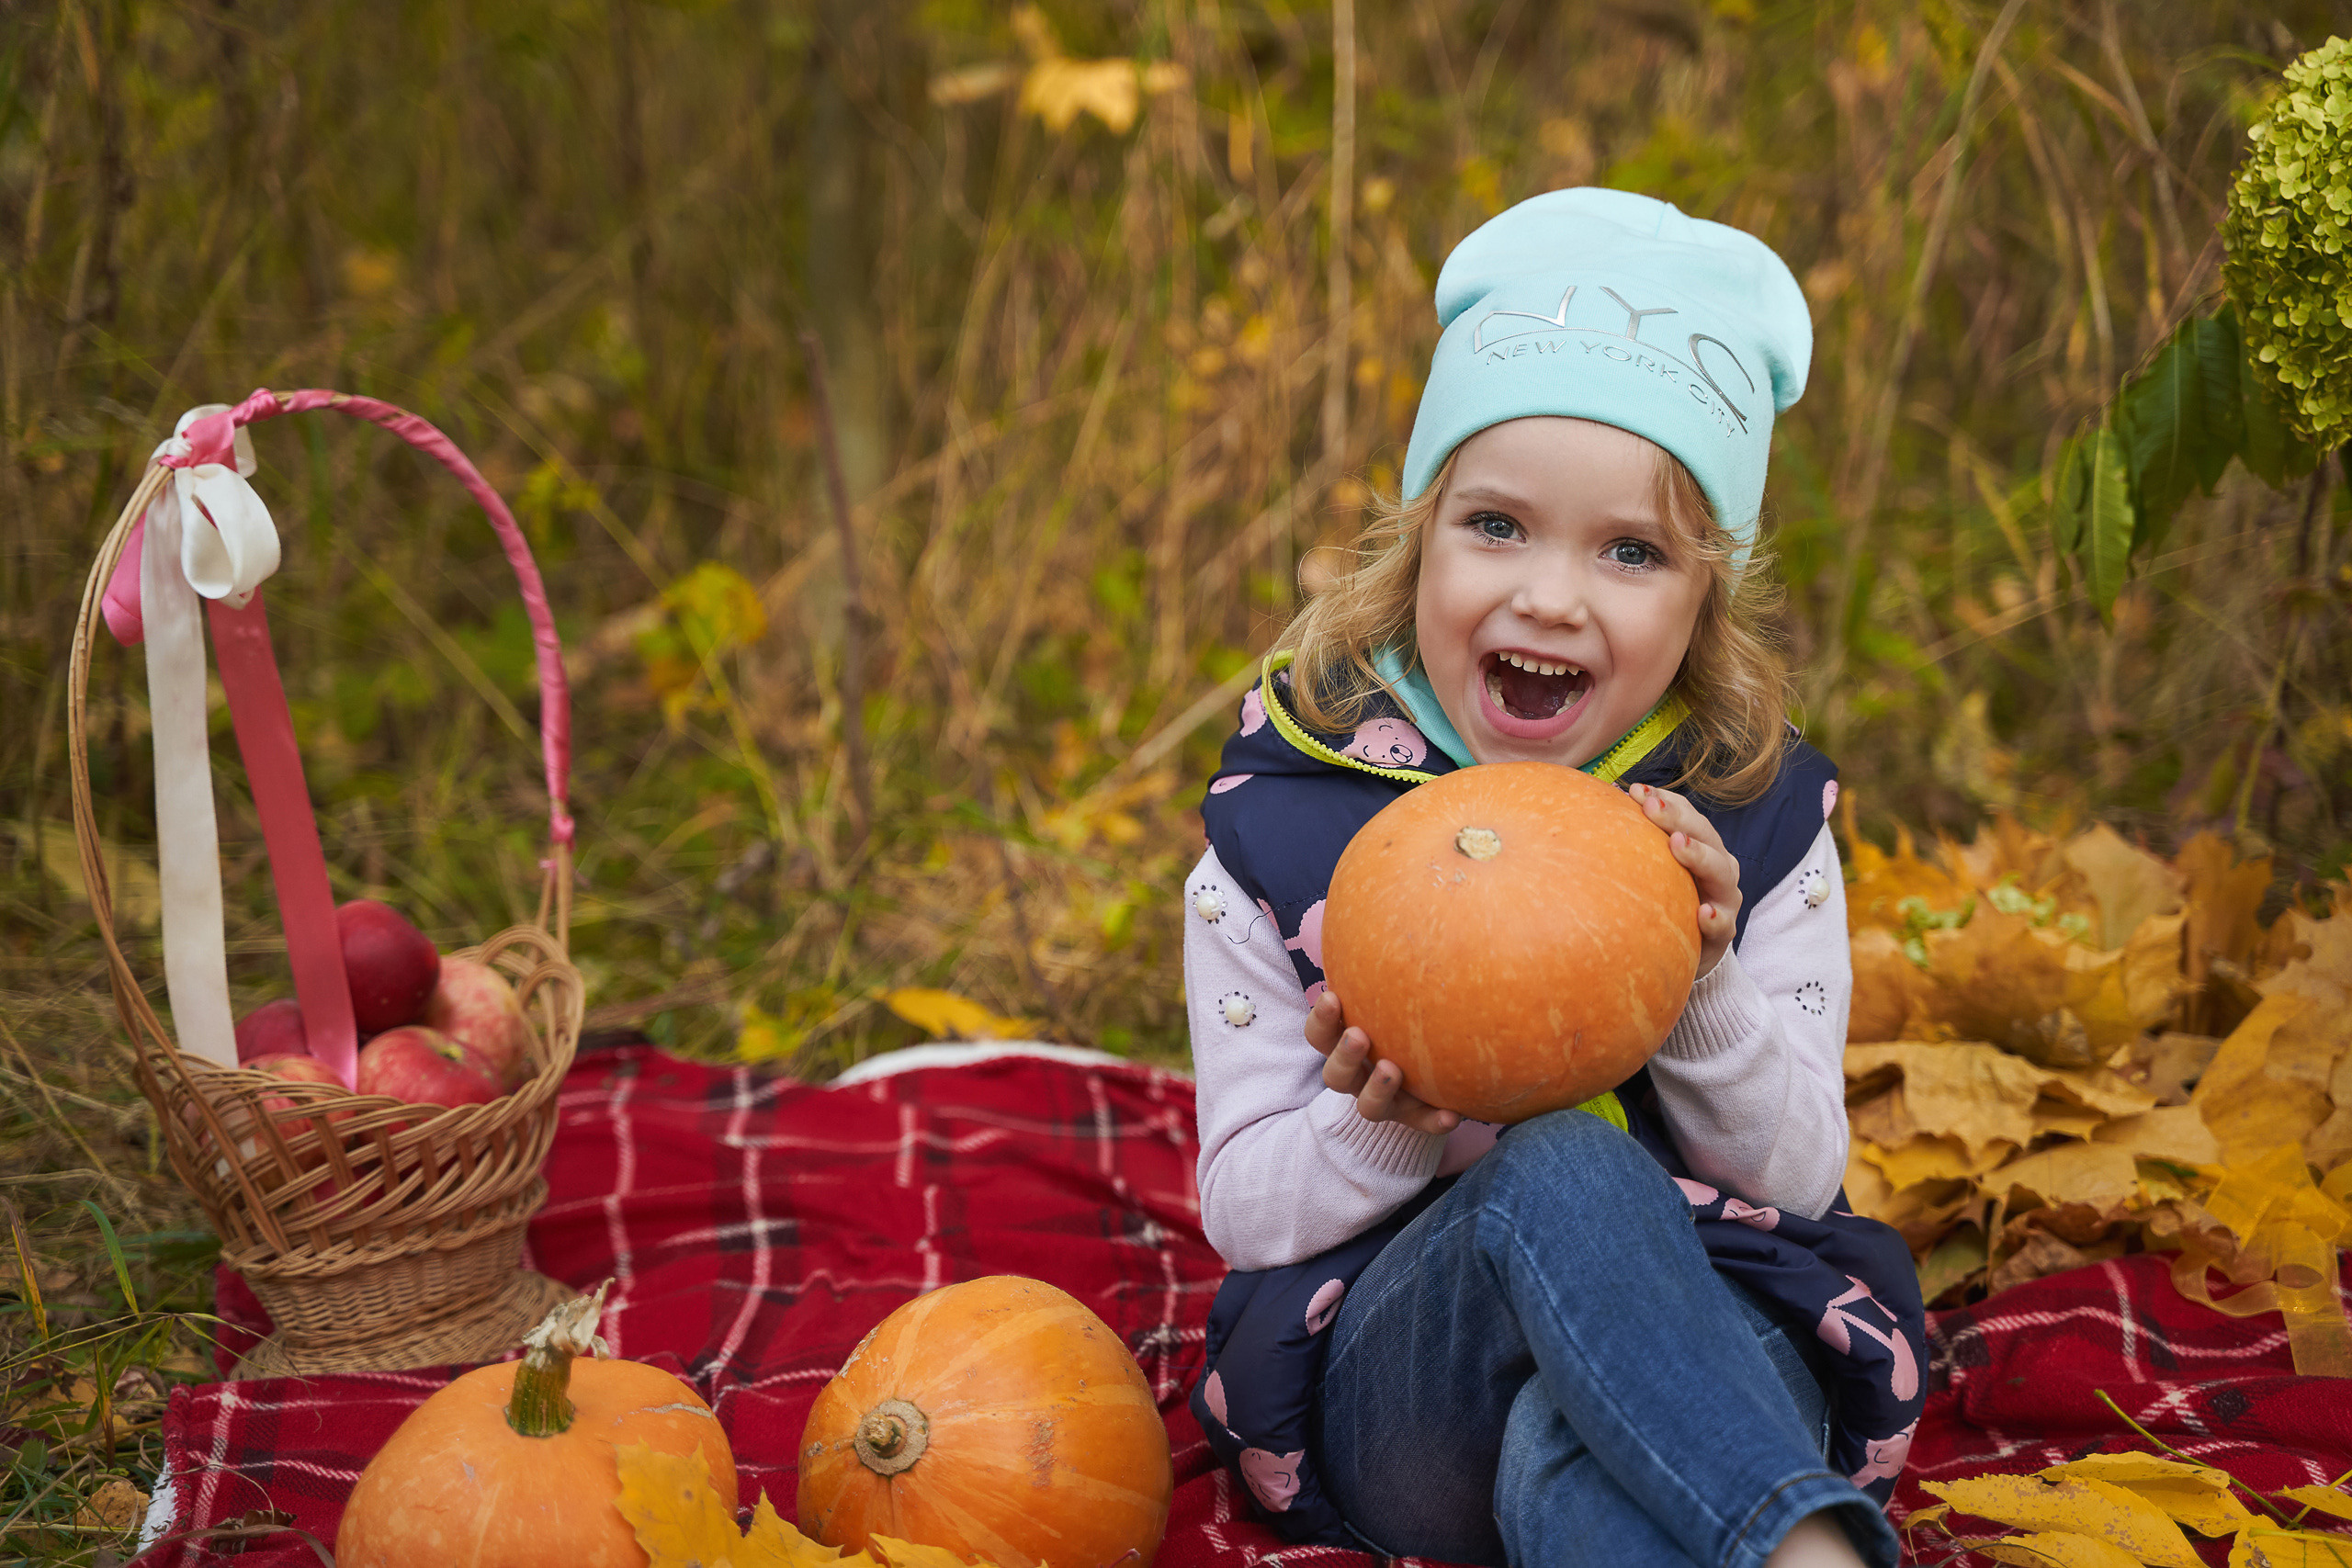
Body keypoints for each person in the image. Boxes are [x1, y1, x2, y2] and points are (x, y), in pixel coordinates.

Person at [1181, 188, 1925, 1568]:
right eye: (1498, 526)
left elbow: (1804, 1178)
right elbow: (1244, 1206)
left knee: (1574, 1463)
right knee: (1564, 1162)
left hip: (1713, 1334)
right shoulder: (1282, 834)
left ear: (1707, 596)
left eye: (1631, 551)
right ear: (1419, 538)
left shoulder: (1749, 826)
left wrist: (1700, 983)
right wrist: (1392, 1116)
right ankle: (1804, 1549)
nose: (1552, 596)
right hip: (1407, 1376)